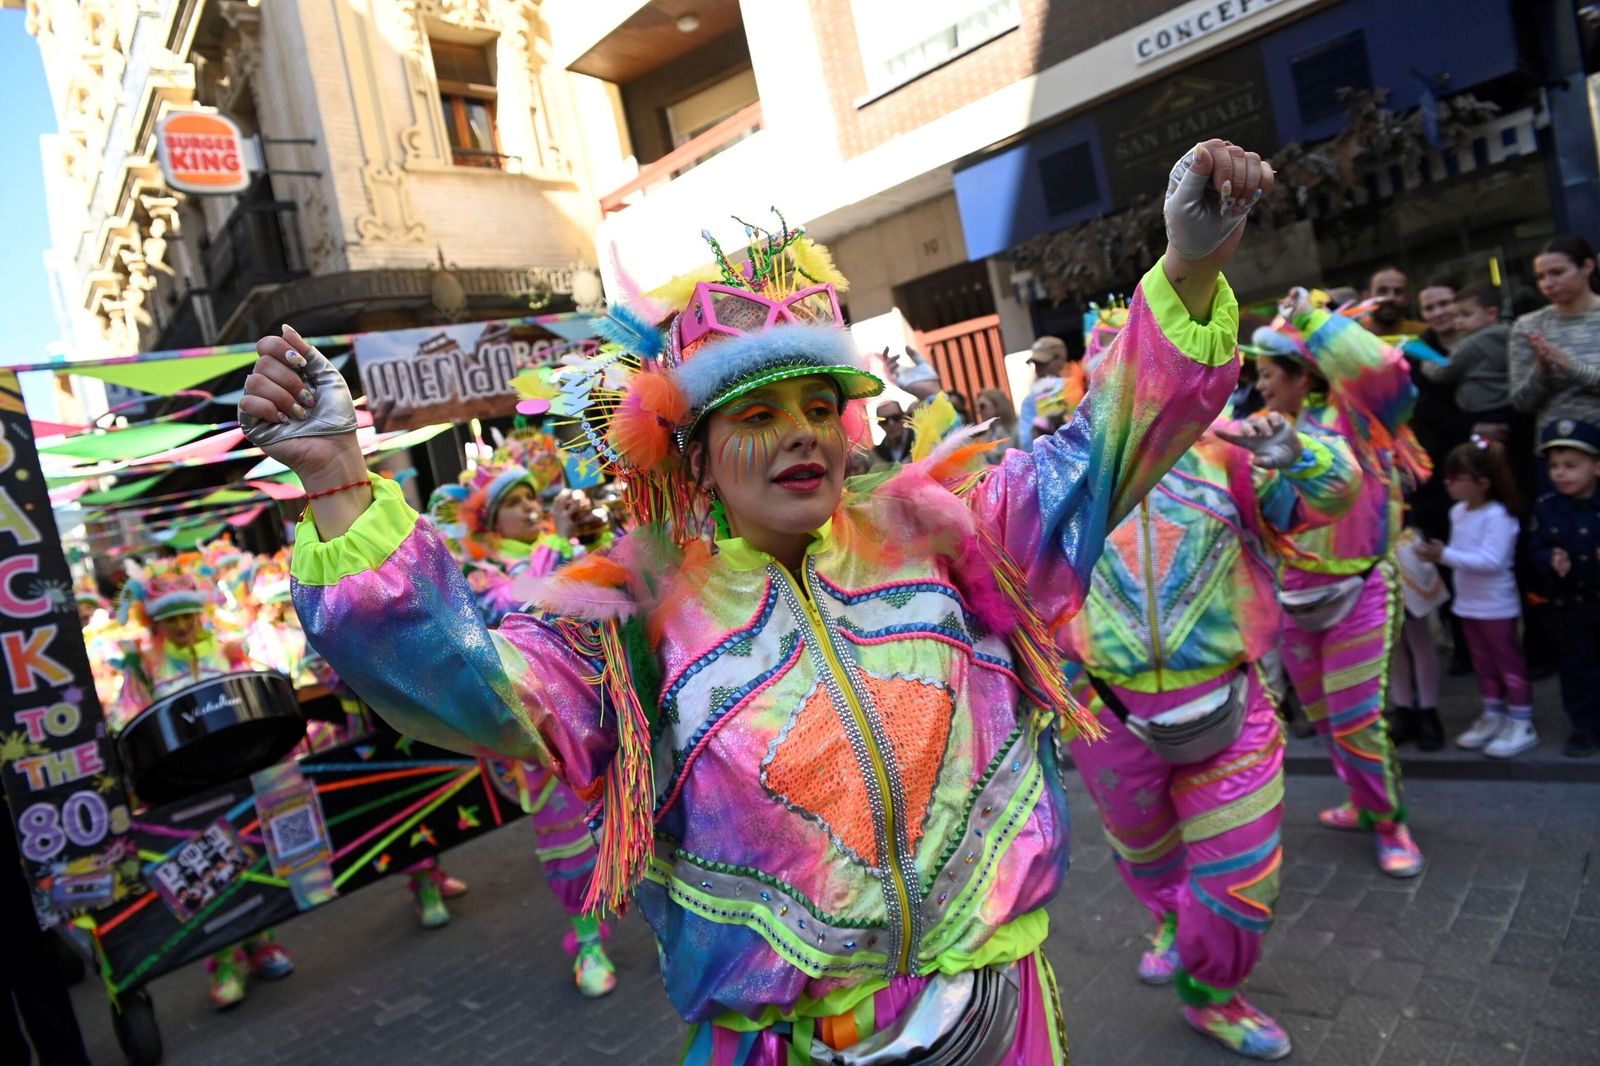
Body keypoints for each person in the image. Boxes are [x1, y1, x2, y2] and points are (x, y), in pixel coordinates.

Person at [238, 138, 1271, 1062]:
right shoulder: (629, 620)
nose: (801, 434)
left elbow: (1100, 457)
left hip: (996, 1014)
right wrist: (337, 479)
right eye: (758, 411)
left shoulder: (946, 535)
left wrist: (1185, 271)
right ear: (690, 448)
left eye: (820, 405)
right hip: (782, 1041)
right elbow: (473, 685)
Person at [1058, 407, 1360, 1060]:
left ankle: (1212, 996)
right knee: (1146, 853)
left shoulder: (1231, 456)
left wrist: (1298, 452)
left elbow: (1336, 494)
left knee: (1240, 876)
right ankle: (1171, 918)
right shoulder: (1063, 468)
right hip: (1104, 714)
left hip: (1229, 705)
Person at [423, 448, 619, 995]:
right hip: (547, 732)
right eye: (516, 503)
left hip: (610, 707)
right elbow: (521, 605)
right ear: (491, 522)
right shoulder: (481, 576)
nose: (532, 509)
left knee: (638, 816)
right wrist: (558, 542)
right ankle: (589, 945)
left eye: (534, 497)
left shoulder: (560, 548)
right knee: (570, 842)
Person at [1252, 290, 1431, 878]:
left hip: (1361, 592)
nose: (1260, 386)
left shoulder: (1360, 417)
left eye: (1270, 373)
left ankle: (1389, 821)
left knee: (1357, 720)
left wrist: (1310, 318)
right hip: (1296, 602)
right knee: (1327, 720)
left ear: (1307, 377)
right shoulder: (1263, 430)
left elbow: (1384, 372)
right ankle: (1362, 801)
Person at [114, 561, 294, 1009]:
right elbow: (127, 717)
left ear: (201, 615)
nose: (181, 626)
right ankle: (225, 961)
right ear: (155, 623)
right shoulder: (143, 665)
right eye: (170, 618)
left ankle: (262, 943)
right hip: (185, 785)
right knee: (207, 866)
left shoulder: (227, 649)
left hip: (235, 770)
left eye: (187, 615)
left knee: (252, 853)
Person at [1415, 440, 1534, 757]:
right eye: (1448, 476)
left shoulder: (1499, 516)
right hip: (1467, 604)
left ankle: (1521, 720)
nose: (1448, 482)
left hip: (1496, 605)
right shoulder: (1457, 512)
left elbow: (1491, 561)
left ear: (1482, 483)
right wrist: (1439, 556)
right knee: (1482, 664)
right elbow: (1462, 556)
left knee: (1508, 663)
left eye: (1457, 476)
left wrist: (1445, 555)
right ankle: (1493, 714)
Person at [1526, 419, 1600, 757]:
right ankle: (1584, 726)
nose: (1560, 473)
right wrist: (1549, 557)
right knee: (1576, 667)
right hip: (1570, 605)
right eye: (1554, 465)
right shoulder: (1546, 507)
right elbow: (1534, 545)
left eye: (1571, 465)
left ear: (1596, 467)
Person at [1510, 235, 1600, 441]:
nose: (1547, 283)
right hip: (1559, 449)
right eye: (1540, 277)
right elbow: (1522, 403)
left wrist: (1572, 368)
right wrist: (1542, 368)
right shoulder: (1528, 325)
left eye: (1557, 273)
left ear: (1587, 266)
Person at [974, 387, 1018, 464]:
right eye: (977, 408)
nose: (979, 411)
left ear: (997, 405)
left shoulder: (1017, 428)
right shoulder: (984, 438)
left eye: (982, 406)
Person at [869, 398, 914, 467]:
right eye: (885, 421)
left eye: (896, 418)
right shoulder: (877, 452)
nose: (891, 424)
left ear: (904, 417)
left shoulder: (919, 439)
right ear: (879, 424)